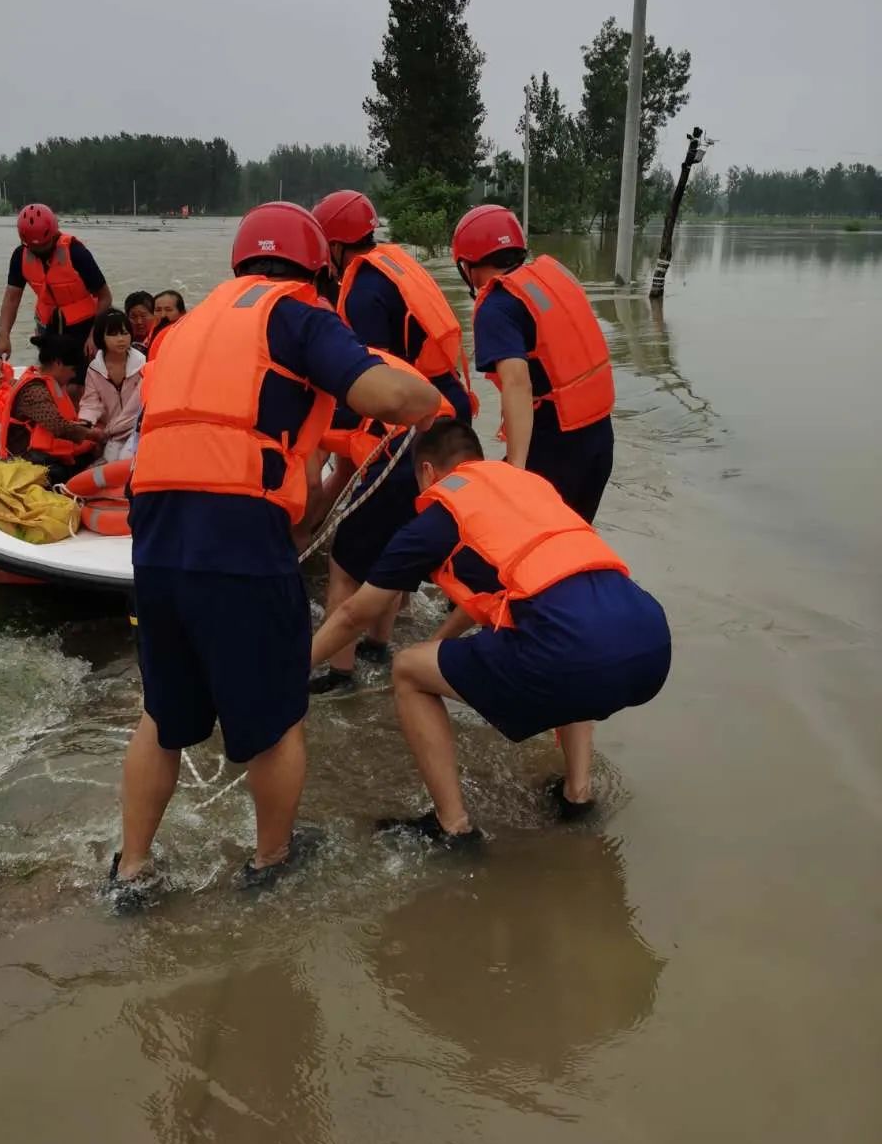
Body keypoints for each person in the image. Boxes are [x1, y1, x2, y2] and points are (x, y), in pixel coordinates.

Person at [113, 202, 441, 900]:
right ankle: (270, 861)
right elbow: (388, 396)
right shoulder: (298, 315)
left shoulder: (182, 329)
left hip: (155, 540)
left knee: (162, 717)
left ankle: (132, 868)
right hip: (238, 541)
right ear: (317, 268)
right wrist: (429, 395)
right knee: (276, 716)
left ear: (239, 262)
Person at [310, 420, 671, 837]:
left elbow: (355, 614)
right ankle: (577, 793)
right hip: (648, 640)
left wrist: (289, 676)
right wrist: (438, 645)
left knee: (408, 669)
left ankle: (452, 825)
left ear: (427, 472)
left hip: (571, 653)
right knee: (569, 633)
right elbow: (497, 592)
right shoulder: (527, 487)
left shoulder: (439, 519)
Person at [451, 205, 615, 522]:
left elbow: (516, 383)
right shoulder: (553, 278)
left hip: (557, 449)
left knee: (526, 546)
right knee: (570, 543)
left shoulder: (496, 306)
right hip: (600, 440)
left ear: (467, 264)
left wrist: (515, 471)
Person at [309, 351, 454, 697]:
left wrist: (304, 534)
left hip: (401, 466)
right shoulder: (363, 359)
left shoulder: (308, 383)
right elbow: (346, 469)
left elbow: (312, 483)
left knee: (343, 572)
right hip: (441, 451)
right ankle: (376, 644)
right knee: (391, 556)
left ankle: (340, 671)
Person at [312, 190, 474, 422]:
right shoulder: (396, 263)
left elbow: (374, 387)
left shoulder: (362, 293)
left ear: (335, 247)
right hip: (451, 397)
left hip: (427, 419)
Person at [0, 204, 112, 372]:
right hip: (48, 323)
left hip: (83, 325)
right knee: (50, 374)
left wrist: (94, 335)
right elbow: (12, 299)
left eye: (44, 245)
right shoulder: (19, 257)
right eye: (34, 247)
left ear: (54, 234)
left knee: (77, 380)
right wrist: (4, 336)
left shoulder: (76, 252)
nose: (40, 251)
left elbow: (105, 296)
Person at [0, 331, 104, 481]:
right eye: (72, 370)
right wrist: (94, 435)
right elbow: (58, 426)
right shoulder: (35, 391)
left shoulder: (53, 384)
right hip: (26, 459)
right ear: (58, 363)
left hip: (49, 455)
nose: (73, 376)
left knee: (92, 452)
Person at [79, 310, 145, 462]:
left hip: (137, 427)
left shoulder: (142, 364)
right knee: (110, 460)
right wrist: (85, 422)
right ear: (101, 337)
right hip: (112, 431)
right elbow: (91, 402)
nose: (121, 339)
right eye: (113, 334)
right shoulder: (95, 369)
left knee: (125, 459)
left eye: (124, 333)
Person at [146, 289, 186, 361]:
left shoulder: (188, 336)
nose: (163, 315)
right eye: (158, 310)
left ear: (182, 313)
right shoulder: (152, 330)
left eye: (168, 310)